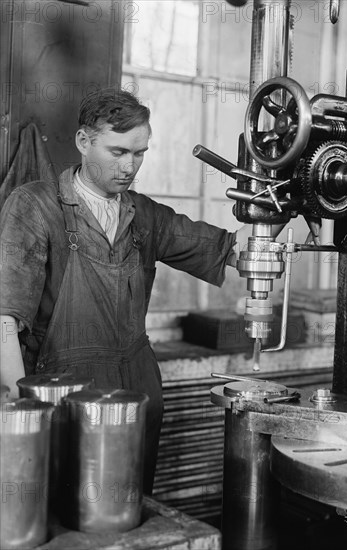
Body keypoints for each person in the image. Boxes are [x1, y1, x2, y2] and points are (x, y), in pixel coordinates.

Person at [0, 88, 245, 493]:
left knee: (132, 511)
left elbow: (228, 250)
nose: (130, 166)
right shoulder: (35, 206)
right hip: (63, 399)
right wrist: (18, 406)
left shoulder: (145, 214)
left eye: (140, 153)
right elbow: (5, 316)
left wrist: (276, 217)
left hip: (136, 397)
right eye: (117, 152)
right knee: (67, 517)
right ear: (84, 142)